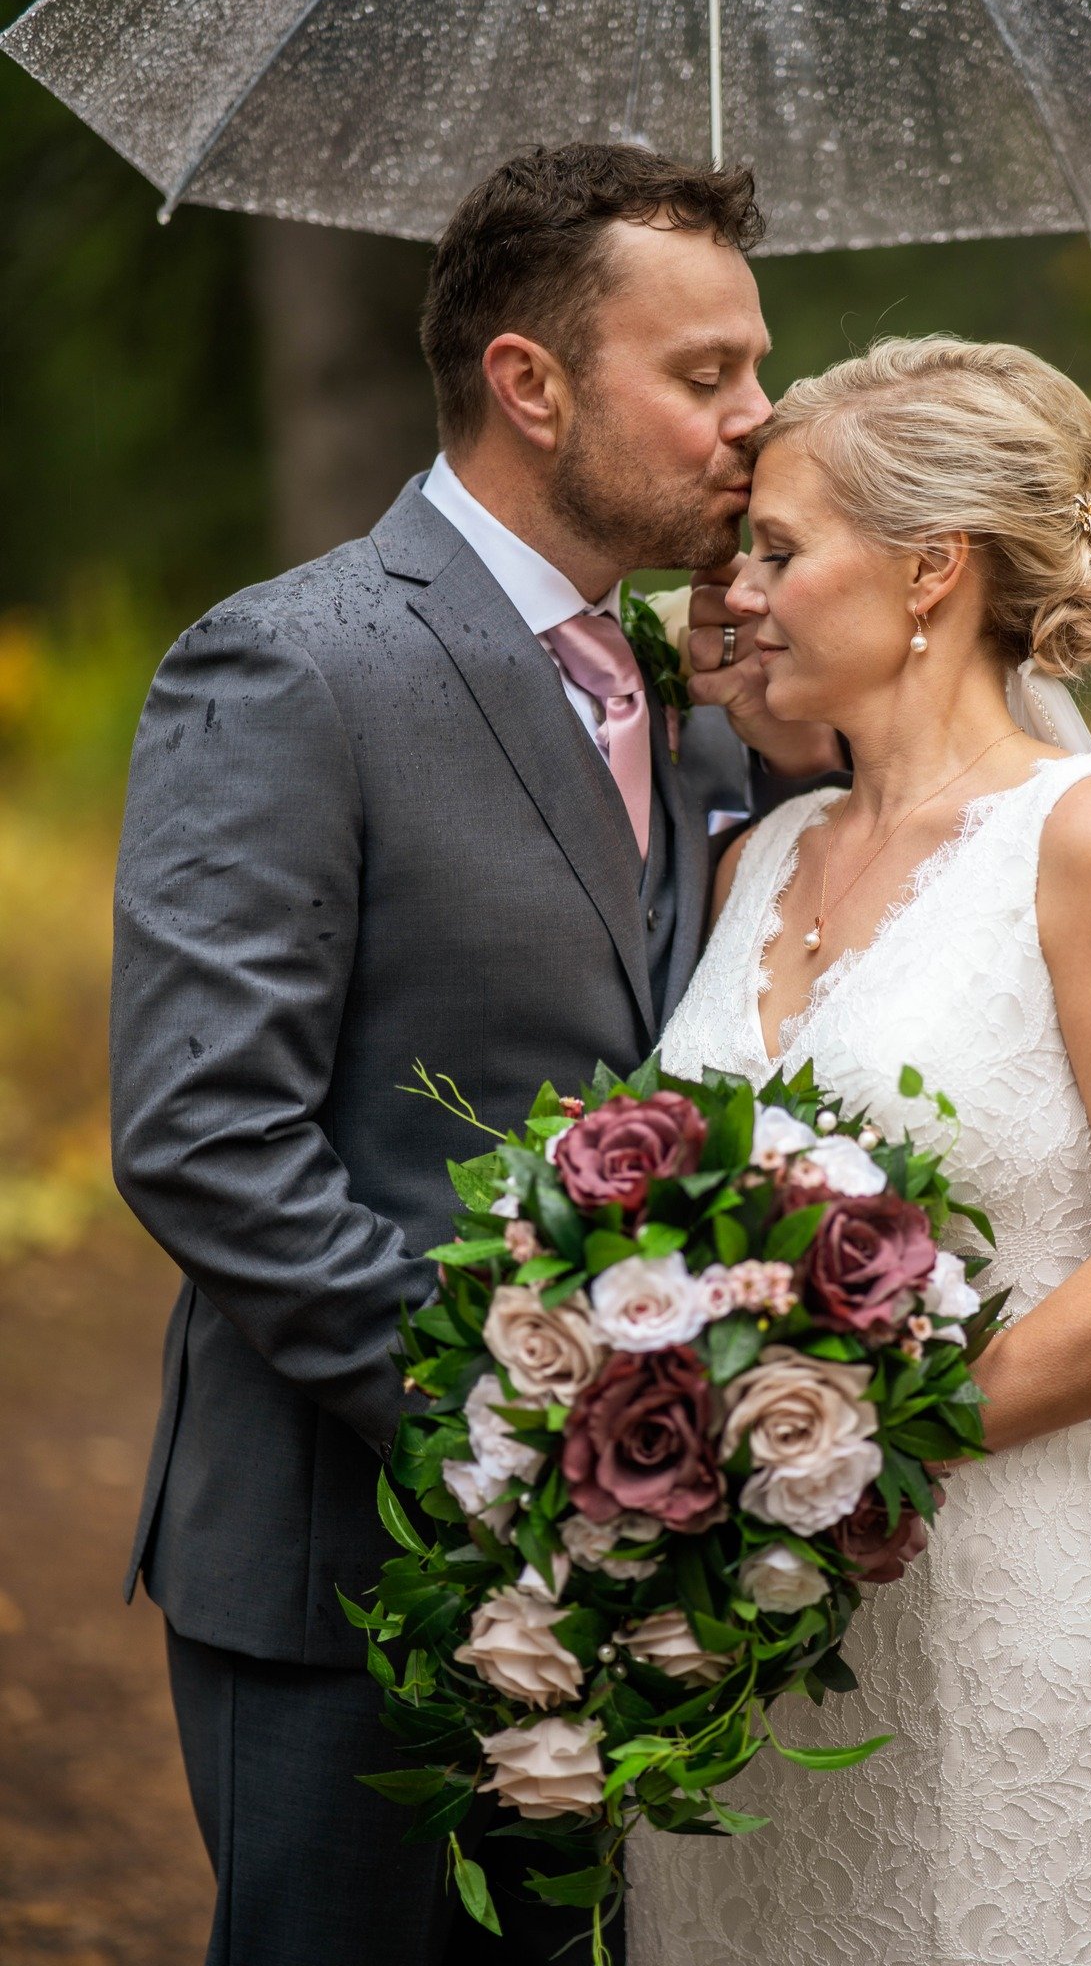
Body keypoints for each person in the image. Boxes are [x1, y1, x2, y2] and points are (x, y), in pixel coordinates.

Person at [109, 142, 840, 1966]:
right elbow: (207, 1134)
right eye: (703, 376)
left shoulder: (683, 696)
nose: (756, 421)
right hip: (348, 1563)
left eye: (755, 369)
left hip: (646, 1577)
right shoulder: (292, 664)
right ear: (529, 382)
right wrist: (515, 1431)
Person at [628, 336, 1091, 1966]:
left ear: (931, 568)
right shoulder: (763, 854)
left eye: (780, 549)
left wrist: (846, 1454)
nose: (738, 592)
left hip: (997, 1610)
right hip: (739, 1636)